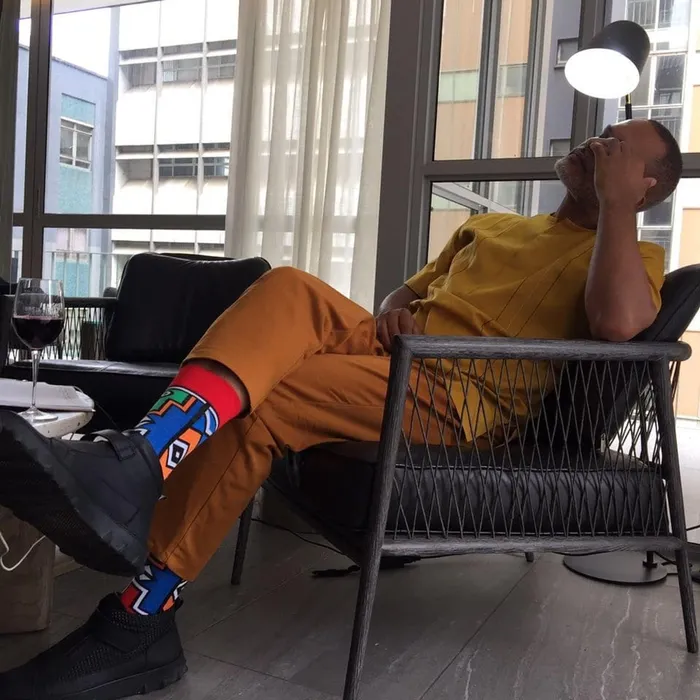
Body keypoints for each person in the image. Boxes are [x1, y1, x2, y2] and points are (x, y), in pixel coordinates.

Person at [0, 118, 683, 699]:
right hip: (397, 352)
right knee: (289, 286)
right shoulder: (494, 226)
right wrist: (394, 312)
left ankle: (139, 615)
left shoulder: (632, 252)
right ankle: (141, 456)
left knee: (270, 399)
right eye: (600, 135)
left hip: (457, 393)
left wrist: (617, 207)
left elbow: (618, 323)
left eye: (616, 146)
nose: (595, 143)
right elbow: (403, 294)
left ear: (644, 183)